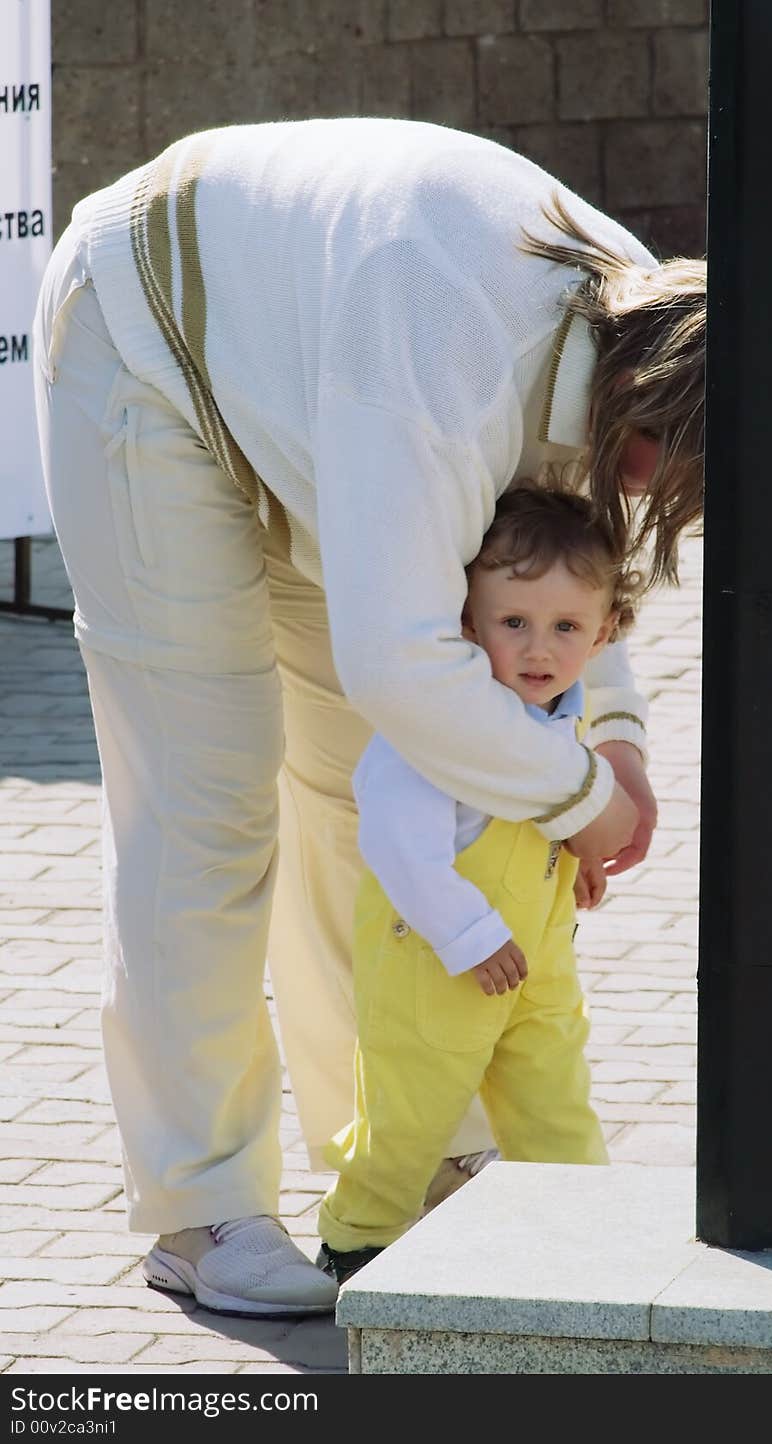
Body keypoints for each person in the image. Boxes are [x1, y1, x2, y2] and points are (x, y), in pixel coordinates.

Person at [32, 117, 707, 1317]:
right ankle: (202, 1208)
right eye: (661, 471)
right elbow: (404, 664)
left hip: (315, 391)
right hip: (149, 346)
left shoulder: (638, 331)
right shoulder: (450, 355)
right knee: (210, 802)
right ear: (638, 415)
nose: (653, 496)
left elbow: (554, 577)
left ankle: (400, 1158)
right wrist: (582, 805)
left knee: (364, 797)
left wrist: (613, 744)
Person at [315, 482, 644, 1284]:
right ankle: (358, 1234)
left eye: (566, 628)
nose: (539, 650)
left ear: (604, 634)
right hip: (437, 959)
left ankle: (576, 1224)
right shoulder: (439, 727)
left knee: (553, 1089)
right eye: (513, 624)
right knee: (411, 1108)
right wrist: (467, 935)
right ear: (469, 623)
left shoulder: (559, 714)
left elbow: (544, 811)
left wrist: (577, 863)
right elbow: (400, 844)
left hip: (535, 960)